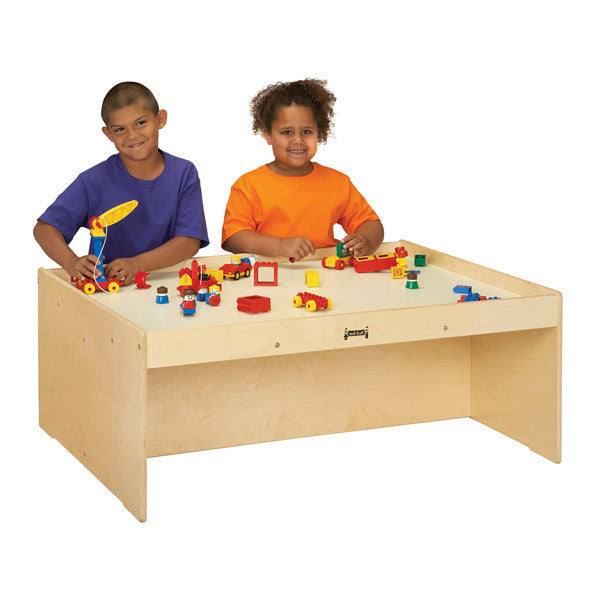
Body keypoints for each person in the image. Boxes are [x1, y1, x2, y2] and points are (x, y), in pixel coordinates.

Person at [34, 82, 209, 284]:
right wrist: (71, 261)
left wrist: (138, 264)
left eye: (140, 123)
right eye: (119, 129)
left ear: (160, 119)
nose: (132, 135)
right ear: (108, 134)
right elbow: (44, 229)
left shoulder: (184, 173)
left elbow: (189, 242)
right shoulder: (93, 180)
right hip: (109, 291)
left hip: (168, 286)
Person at [221, 78, 384, 262]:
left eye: (306, 132)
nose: (298, 140)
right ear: (268, 136)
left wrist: (366, 240)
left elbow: (370, 222)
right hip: (271, 272)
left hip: (328, 272)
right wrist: (280, 246)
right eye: (287, 132)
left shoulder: (338, 182)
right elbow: (234, 238)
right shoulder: (248, 185)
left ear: (319, 132)